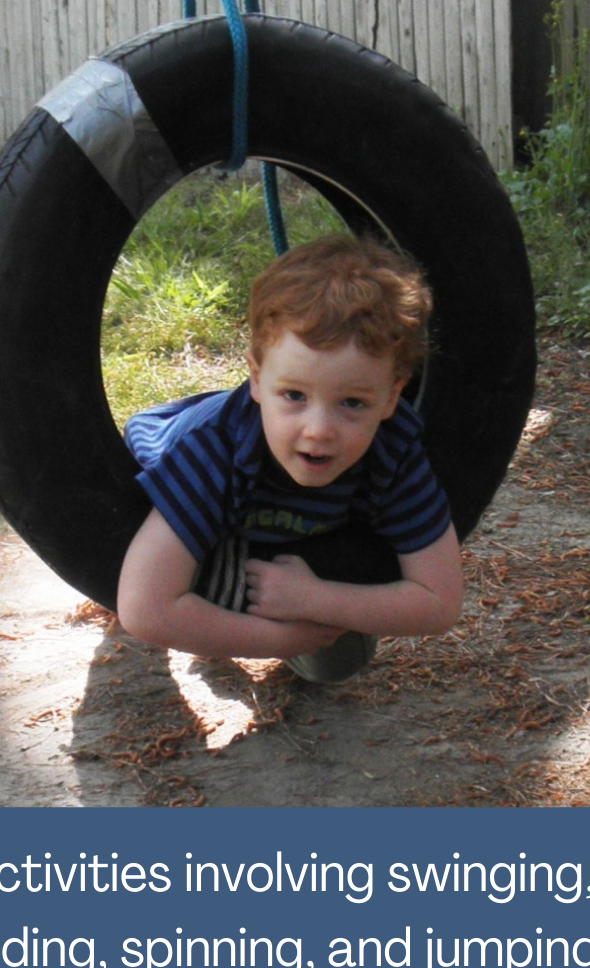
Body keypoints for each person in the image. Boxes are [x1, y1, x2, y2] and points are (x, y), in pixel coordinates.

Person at [117, 234, 462, 682]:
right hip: (165, 455)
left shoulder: (392, 450)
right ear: (257, 380)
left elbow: (440, 602)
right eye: (294, 395)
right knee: (167, 565)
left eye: (352, 403)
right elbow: (144, 609)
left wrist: (314, 599)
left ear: (392, 396)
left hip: (270, 520)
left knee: (338, 662)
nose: (318, 430)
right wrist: (276, 641)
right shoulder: (213, 452)